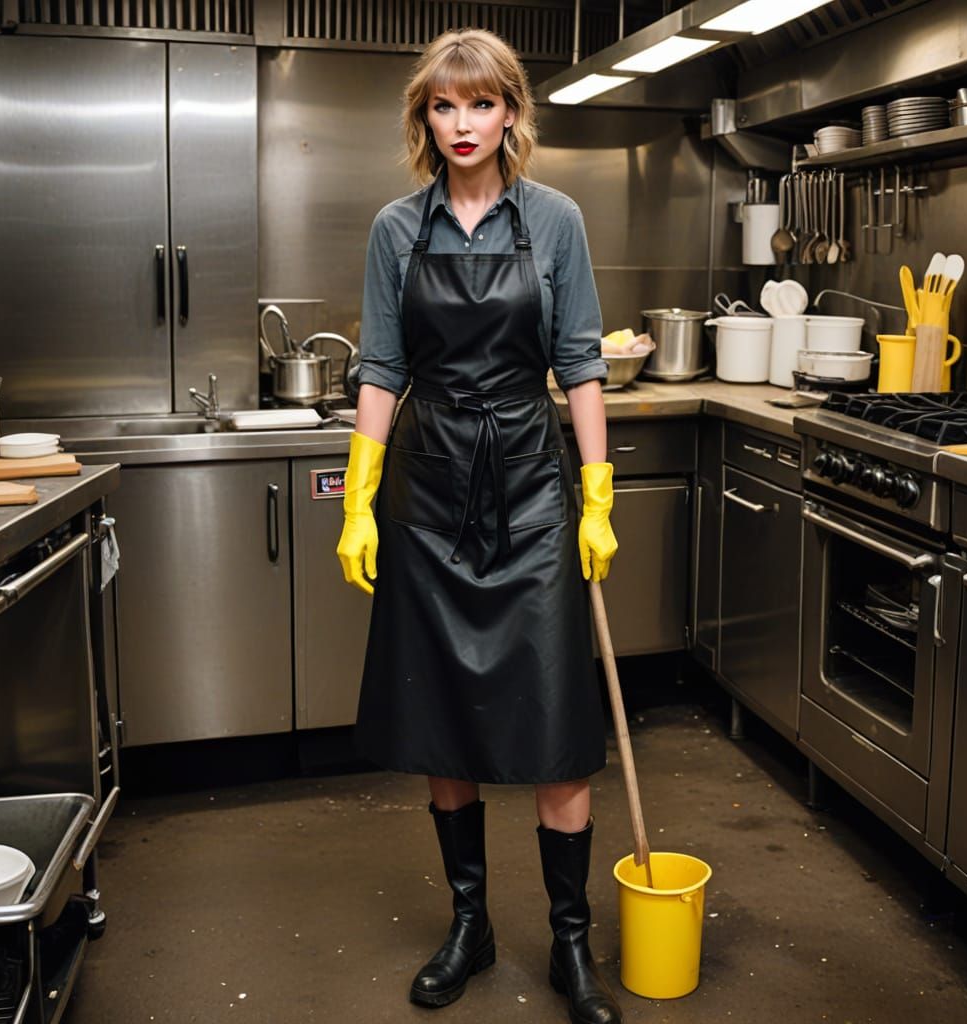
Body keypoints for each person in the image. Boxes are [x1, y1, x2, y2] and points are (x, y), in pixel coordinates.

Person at [336, 27, 622, 1024]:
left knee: (556, 730)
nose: (462, 124)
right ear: (426, 119)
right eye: (443, 107)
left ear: (511, 114)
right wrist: (361, 500)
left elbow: (579, 362)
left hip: (532, 490)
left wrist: (595, 492)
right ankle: (470, 924)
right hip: (428, 487)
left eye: (481, 104)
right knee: (440, 716)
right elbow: (380, 368)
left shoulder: (555, 221)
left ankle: (570, 942)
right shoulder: (392, 229)